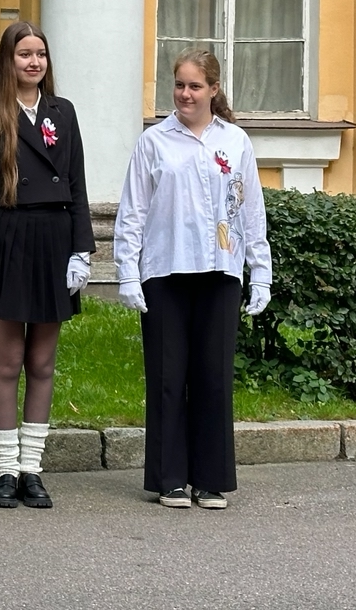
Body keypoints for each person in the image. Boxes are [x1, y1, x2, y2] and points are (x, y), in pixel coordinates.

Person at [113, 48, 271, 510]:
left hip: (221, 271)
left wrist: (259, 272)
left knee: (214, 376)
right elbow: (133, 211)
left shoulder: (236, 142)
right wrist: (127, 272)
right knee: (167, 376)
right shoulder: (155, 142)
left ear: (213, 90)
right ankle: (170, 479)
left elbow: (252, 211)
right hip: (166, 271)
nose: (185, 94)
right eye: (179, 85)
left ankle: (210, 479)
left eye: (194, 86)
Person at [0, 21, 94, 509]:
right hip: (9, 237)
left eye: (40, 54)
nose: (34, 62)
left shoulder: (64, 112)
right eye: (24, 54)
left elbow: (77, 183)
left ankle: (33, 469)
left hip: (55, 241)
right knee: (8, 360)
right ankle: (5, 469)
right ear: (8, 60)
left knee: (42, 361)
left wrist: (82, 249)